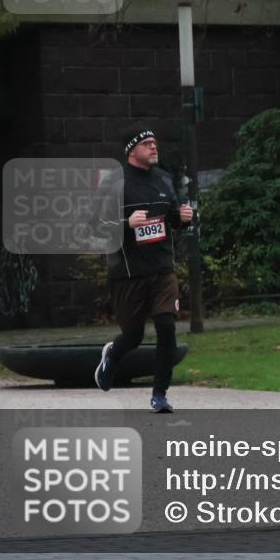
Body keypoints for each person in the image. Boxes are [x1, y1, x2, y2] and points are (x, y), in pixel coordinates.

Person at [94, 127, 193, 413]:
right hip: (128, 274)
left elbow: (171, 220)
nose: (154, 147)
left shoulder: (163, 178)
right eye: (147, 143)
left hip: (162, 270)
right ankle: (112, 354)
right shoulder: (114, 184)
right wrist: (127, 224)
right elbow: (94, 225)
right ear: (131, 150)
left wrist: (182, 218)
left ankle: (159, 394)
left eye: (155, 143)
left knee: (166, 326)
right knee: (133, 336)